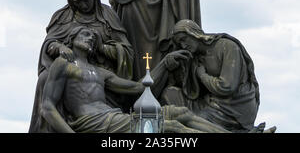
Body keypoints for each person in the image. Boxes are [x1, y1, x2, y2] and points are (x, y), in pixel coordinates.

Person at [41, 26, 229, 134]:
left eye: (93, 37)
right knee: (172, 127)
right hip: (92, 121)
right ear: (72, 39)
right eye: (85, 34)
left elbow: (139, 87)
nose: (90, 38)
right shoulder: (63, 63)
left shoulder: (100, 72)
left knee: (180, 113)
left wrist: (164, 63)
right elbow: (47, 106)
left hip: (114, 118)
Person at [29, 0, 134, 132]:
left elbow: (125, 50)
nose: (83, 5)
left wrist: (101, 48)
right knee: (45, 79)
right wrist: (59, 47)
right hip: (71, 68)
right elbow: (49, 42)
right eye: (77, 3)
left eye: (86, 0)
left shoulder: (107, 15)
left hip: (101, 70)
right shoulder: (62, 16)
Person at [155, 20, 263, 133]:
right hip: (212, 102)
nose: (183, 45)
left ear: (194, 33)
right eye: (179, 43)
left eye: (183, 39)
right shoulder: (196, 57)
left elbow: (227, 87)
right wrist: (172, 64)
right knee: (170, 94)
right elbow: (191, 90)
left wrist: (202, 75)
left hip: (235, 107)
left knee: (192, 121)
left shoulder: (227, 46)